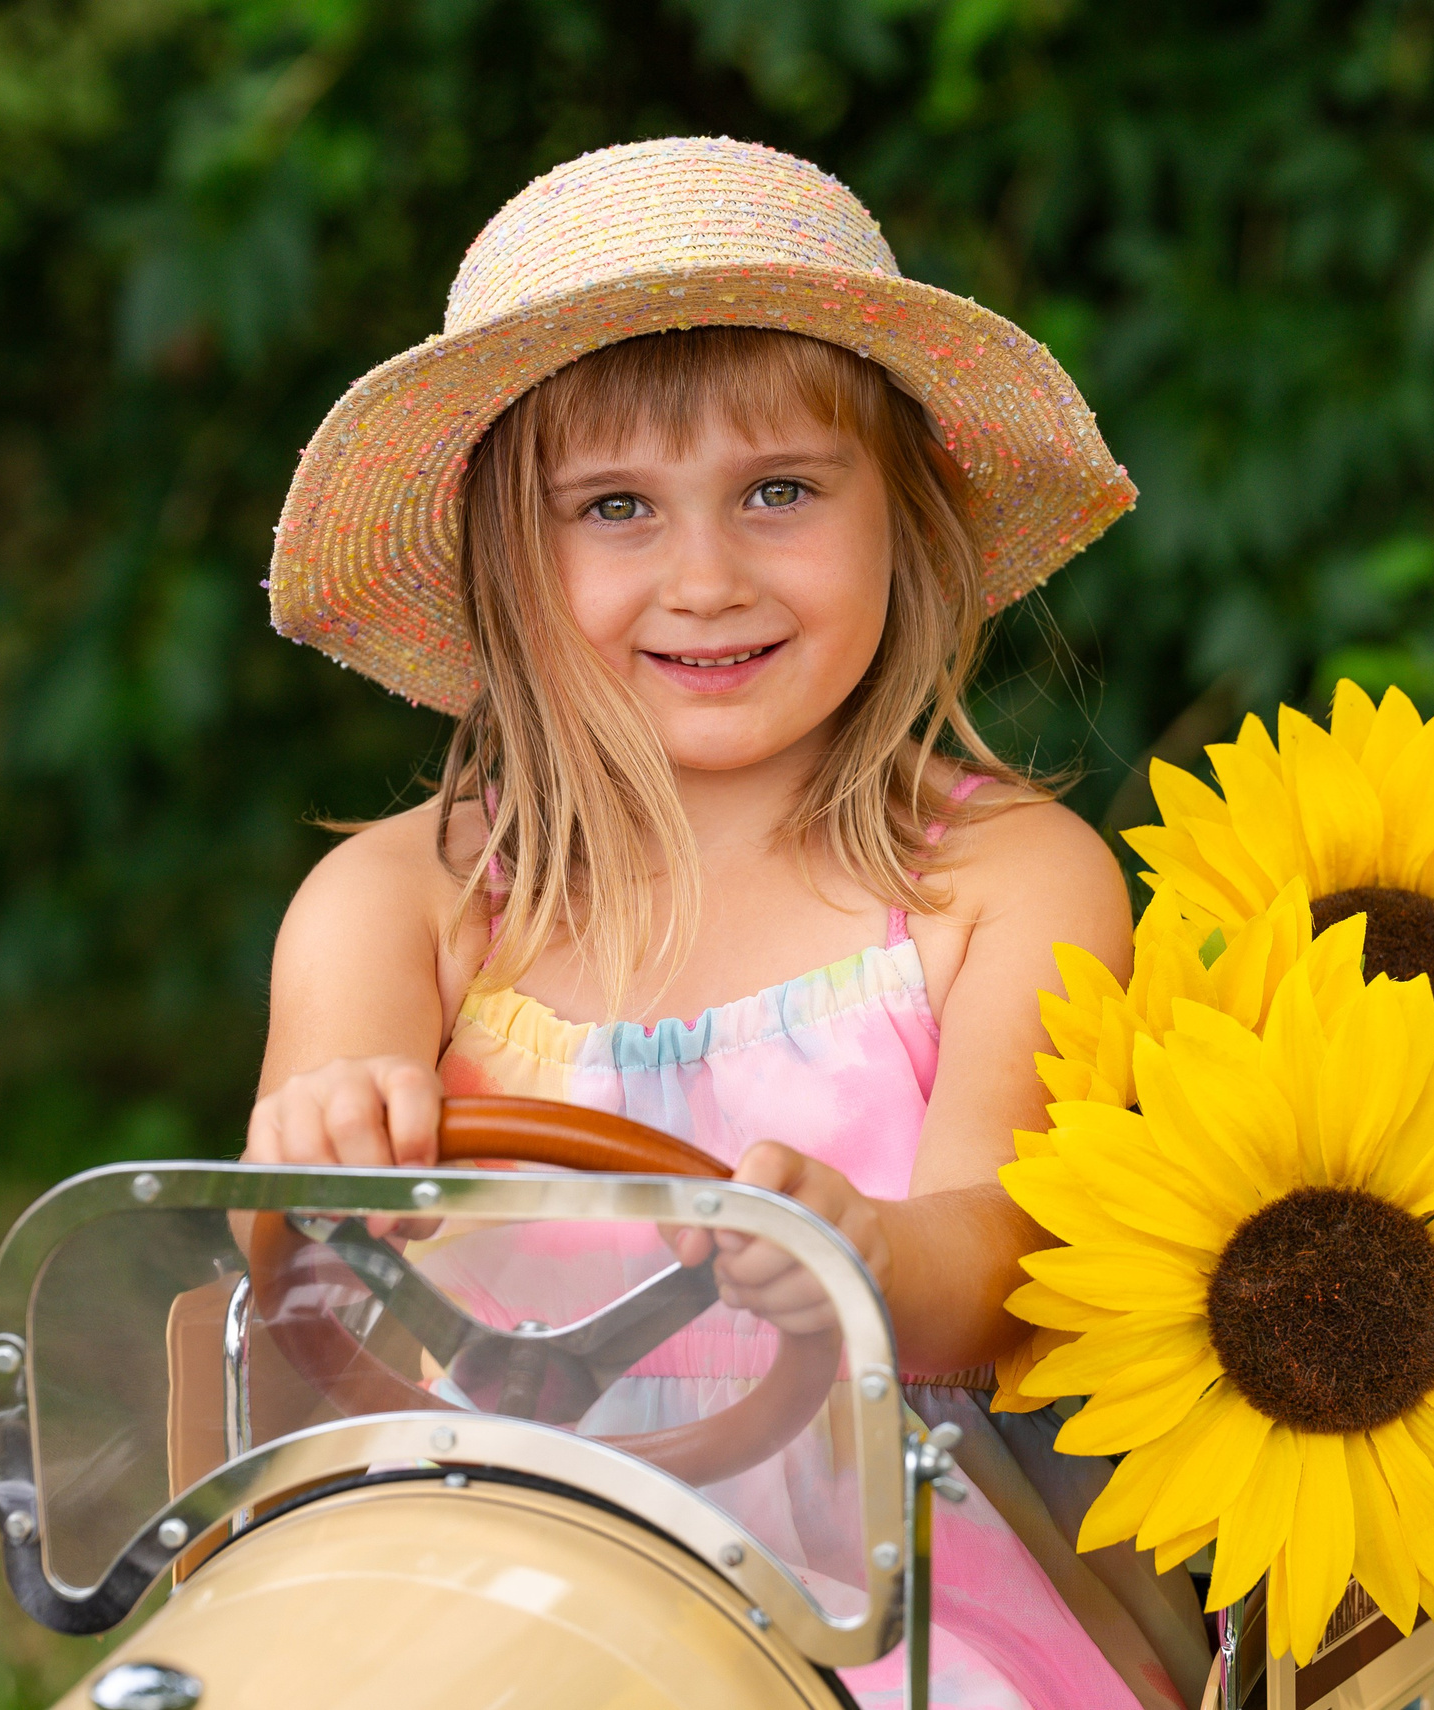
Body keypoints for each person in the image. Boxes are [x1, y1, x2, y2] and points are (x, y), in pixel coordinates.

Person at [247, 136, 1211, 1710]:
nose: (704, 577)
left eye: (779, 491)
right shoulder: (404, 903)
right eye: (614, 506)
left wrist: (868, 1253)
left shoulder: (1000, 882)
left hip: (883, 1567)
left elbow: (1006, 1257)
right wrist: (329, 1140)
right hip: (479, 1546)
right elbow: (284, 1242)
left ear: (903, 520)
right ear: (507, 565)